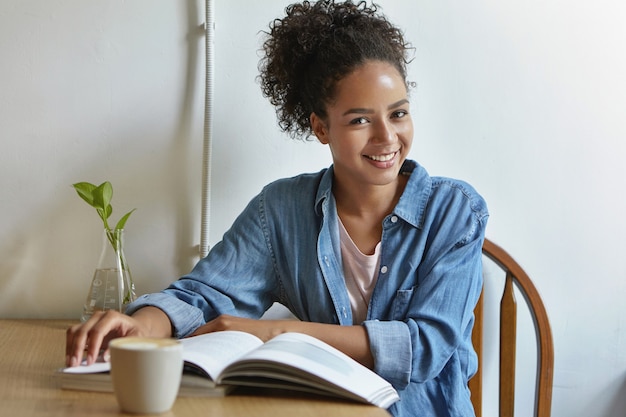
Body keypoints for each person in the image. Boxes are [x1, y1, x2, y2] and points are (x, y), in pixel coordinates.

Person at [66, 1, 488, 416]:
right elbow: (205, 294)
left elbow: (425, 348)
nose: (386, 136)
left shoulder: (456, 211)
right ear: (320, 127)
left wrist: (277, 332)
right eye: (360, 120)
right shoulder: (281, 210)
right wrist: (144, 326)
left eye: (398, 114)